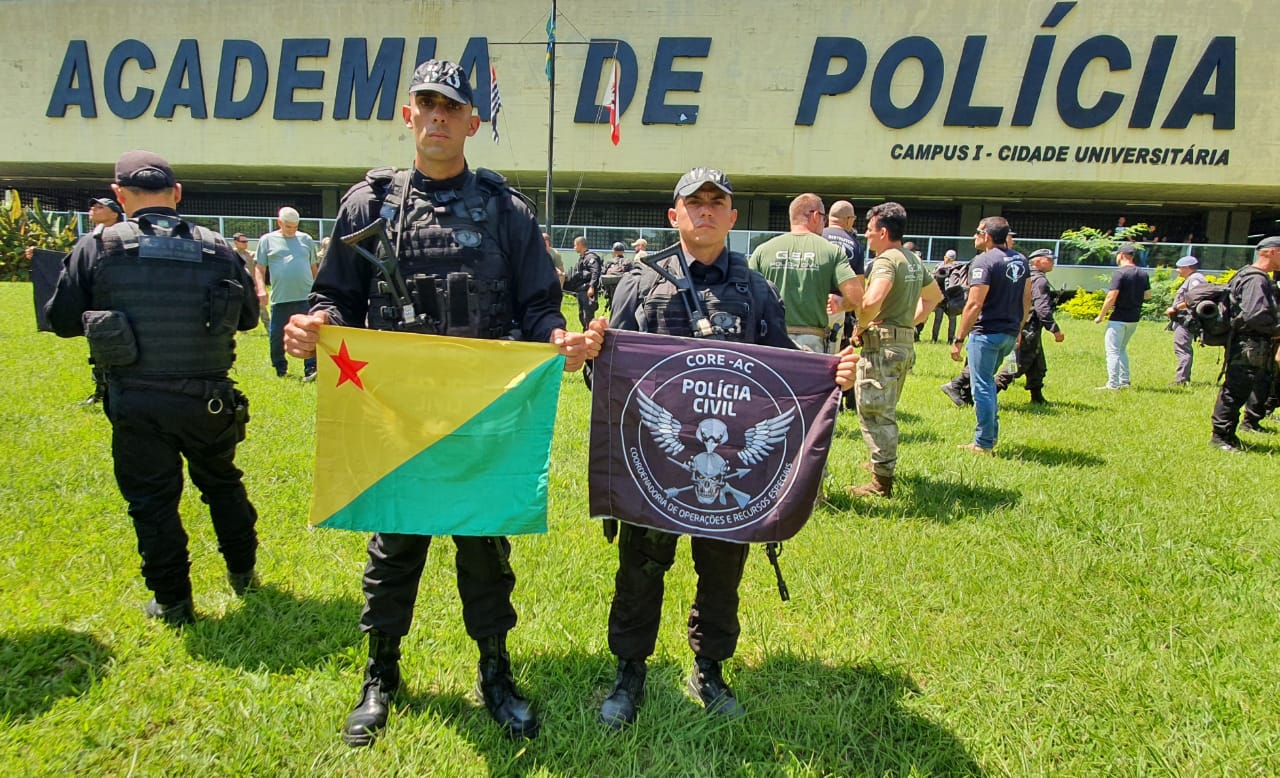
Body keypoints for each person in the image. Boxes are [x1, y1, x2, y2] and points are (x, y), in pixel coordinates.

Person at [282, 58, 601, 746]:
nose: (435, 117)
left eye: (449, 107)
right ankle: (380, 676)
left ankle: (495, 673)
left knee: (482, 549)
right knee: (395, 544)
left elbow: (539, 302)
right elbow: (334, 295)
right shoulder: (368, 206)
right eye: (424, 104)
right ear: (407, 115)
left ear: (470, 123)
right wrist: (313, 326)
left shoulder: (504, 209)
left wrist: (557, 337)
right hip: (393, 412)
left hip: (482, 415)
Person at [586, 166, 859, 729]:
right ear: (674, 215)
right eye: (694, 203)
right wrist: (594, 355)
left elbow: (784, 376)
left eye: (717, 203)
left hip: (728, 465)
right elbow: (606, 380)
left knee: (721, 569)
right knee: (639, 568)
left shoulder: (755, 288)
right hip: (654, 462)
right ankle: (629, 670)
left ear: (733, 217)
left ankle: (709, 667)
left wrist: (834, 374)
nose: (705, 212)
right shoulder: (640, 281)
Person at [45, 150, 261, 626]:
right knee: (222, 483)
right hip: (209, 400)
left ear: (120, 197)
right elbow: (248, 318)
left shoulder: (98, 246)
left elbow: (60, 320)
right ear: (177, 195)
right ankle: (243, 571)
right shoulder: (218, 248)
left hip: (137, 400)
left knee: (153, 502)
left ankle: (173, 601)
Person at [847, 202, 942, 497]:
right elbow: (933, 297)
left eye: (869, 229)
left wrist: (862, 324)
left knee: (875, 413)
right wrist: (908, 322)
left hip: (882, 347)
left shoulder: (886, 261)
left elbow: (873, 299)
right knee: (884, 409)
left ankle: (881, 483)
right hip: (903, 344)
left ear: (883, 231)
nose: (866, 235)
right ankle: (879, 463)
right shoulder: (912, 259)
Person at [949, 216, 1031, 454]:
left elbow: (974, 304)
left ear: (986, 235)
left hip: (986, 333)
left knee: (981, 386)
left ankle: (983, 442)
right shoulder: (1021, 260)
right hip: (1008, 333)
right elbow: (1027, 298)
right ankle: (990, 435)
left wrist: (958, 339)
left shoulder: (983, 261)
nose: (974, 236)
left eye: (977, 232)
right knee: (987, 382)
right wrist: (1018, 329)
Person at [748, 193, 861, 352]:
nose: (824, 223)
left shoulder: (762, 251)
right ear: (815, 216)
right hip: (812, 343)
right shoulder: (832, 252)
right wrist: (841, 304)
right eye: (823, 218)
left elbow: (747, 297)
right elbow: (856, 297)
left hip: (770, 340)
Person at [1210, 237, 1280, 450]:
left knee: (1240, 388)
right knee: (1235, 389)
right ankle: (1220, 437)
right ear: (1272, 252)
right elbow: (1255, 315)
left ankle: (1228, 435)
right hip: (1249, 343)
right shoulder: (1255, 279)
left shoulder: (1249, 274)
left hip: (1250, 342)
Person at [255, 206, 319, 379]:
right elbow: (260, 268)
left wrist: (320, 290)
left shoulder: (306, 240)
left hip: (306, 296)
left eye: (295, 227)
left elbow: (314, 267)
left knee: (310, 333)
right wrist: (261, 289)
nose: (292, 230)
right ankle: (280, 367)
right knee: (276, 335)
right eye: (288, 226)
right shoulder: (267, 240)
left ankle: (311, 367)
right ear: (279, 223)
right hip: (281, 298)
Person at [995, 247, 1064, 403]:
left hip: (1019, 324)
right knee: (1018, 364)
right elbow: (1042, 308)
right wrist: (1055, 329)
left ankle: (1037, 396)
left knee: (1036, 363)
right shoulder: (1039, 280)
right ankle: (990, 392)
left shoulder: (1022, 276)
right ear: (1037, 260)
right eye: (1049, 259)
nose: (1053, 262)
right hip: (1028, 327)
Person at [77, 197, 126, 405]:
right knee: (99, 348)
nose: (93, 209)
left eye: (100, 207)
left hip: (122, 301)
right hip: (99, 302)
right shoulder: (90, 239)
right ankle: (101, 390)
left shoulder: (125, 237)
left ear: (114, 213)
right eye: (93, 206)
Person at [1093, 242, 1151, 389]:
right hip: (1134, 318)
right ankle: (1124, 381)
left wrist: (1101, 316)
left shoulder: (1120, 273)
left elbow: (1111, 296)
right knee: (1122, 349)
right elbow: (1148, 295)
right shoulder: (1143, 273)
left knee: (1112, 351)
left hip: (1119, 318)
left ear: (1122, 255)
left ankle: (1113, 384)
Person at [1164, 255, 1208, 386]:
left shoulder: (1195, 279)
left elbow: (1195, 299)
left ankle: (1181, 380)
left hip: (1187, 319)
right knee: (1182, 348)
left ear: (1188, 268)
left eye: (1180, 267)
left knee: (1182, 349)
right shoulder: (1193, 278)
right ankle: (1182, 378)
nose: (1178, 270)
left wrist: (1175, 308)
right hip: (1184, 318)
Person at [564, 236, 602, 330]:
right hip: (581, 291)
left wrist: (592, 287)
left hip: (587, 290)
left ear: (580, 245)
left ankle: (592, 334)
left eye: (575, 245)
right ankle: (586, 333)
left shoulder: (590, 257)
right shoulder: (582, 258)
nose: (574, 248)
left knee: (588, 315)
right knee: (582, 315)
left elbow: (595, 272)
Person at [930, 249, 959, 343]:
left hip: (951, 297)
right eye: (947, 258)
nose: (948, 261)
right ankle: (934, 339)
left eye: (951, 259)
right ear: (944, 257)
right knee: (938, 318)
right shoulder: (938, 266)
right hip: (940, 296)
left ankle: (950, 339)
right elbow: (933, 279)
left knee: (952, 319)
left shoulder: (956, 268)